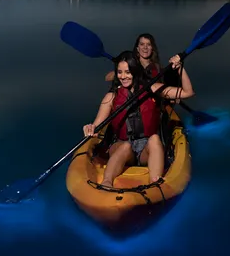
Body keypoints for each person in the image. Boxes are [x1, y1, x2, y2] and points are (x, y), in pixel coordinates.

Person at [82, 50, 194, 188]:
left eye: (127, 72)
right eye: (120, 72)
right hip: (121, 145)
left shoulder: (152, 88)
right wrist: (90, 128)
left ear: (135, 72)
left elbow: (187, 92)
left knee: (154, 139)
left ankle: (155, 182)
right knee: (126, 146)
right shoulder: (111, 97)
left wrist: (180, 69)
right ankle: (106, 183)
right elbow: (96, 126)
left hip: (145, 150)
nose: (123, 76)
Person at [105, 33, 189, 94]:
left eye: (148, 44)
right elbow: (107, 78)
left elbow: (164, 87)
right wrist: (130, 70)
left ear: (152, 48)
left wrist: (179, 68)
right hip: (131, 100)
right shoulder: (129, 63)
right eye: (142, 44)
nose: (145, 47)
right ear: (137, 48)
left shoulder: (157, 68)